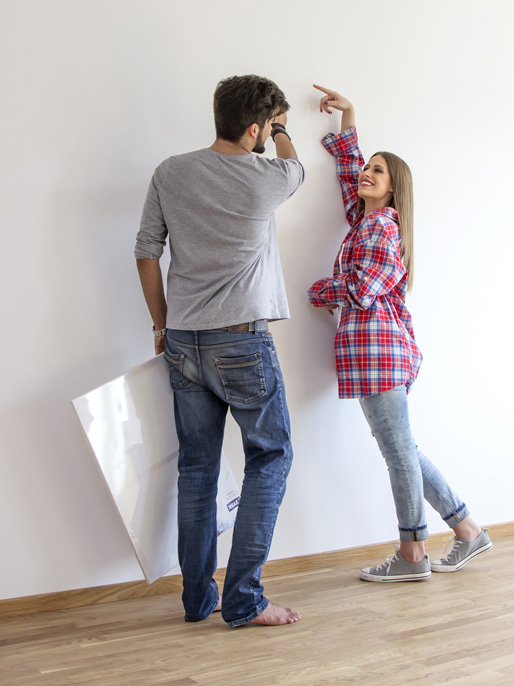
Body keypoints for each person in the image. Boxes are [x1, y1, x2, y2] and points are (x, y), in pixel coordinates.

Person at [135, 75, 304, 625]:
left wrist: (161, 325)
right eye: (267, 126)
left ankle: (197, 600)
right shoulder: (267, 177)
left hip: (182, 340)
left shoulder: (170, 171)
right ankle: (244, 599)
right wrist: (281, 132)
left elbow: (145, 252)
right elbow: (296, 165)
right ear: (256, 128)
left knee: (197, 469)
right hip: (242, 342)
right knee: (271, 456)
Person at [307, 85, 492, 582]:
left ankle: (413, 554)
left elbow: (362, 288)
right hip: (372, 354)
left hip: (382, 352)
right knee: (403, 448)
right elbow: (350, 178)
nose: (367, 174)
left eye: (378, 171)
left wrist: (320, 290)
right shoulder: (362, 222)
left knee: (397, 452)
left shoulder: (383, 229)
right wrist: (349, 119)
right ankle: (469, 531)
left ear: (393, 189)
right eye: (368, 168)